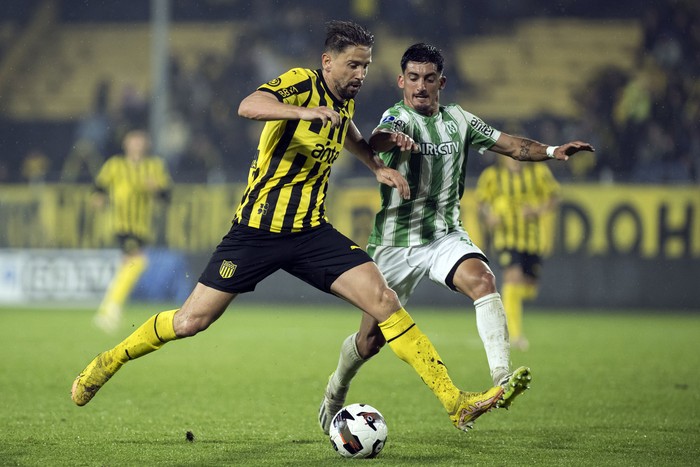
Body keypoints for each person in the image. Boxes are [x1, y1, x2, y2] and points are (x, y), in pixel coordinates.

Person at [71, 21, 504, 432]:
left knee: (383, 300)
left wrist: (374, 164)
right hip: (255, 232)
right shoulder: (302, 82)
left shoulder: (343, 99)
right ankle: (110, 360)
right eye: (353, 65)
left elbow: (347, 129)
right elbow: (248, 105)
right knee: (190, 322)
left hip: (311, 232)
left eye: (366, 66)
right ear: (328, 61)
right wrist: (303, 113)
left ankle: (454, 402)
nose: (361, 74)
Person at [318, 43, 595, 434]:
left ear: (441, 83)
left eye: (429, 79)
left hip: (445, 236)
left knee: (484, 280)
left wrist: (553, 150)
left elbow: (513, 146)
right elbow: (378, 137)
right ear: (401, 81)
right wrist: (390, 141)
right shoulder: (398, 117)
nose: (420, 86)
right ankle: (335, 389)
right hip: (394, 245)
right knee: (369, 342)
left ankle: (501, 379)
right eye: (412, 78)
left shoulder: (460, 121)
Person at [476, 155, 561, 351]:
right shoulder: (492, 175)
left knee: (529, 288)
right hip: (506, 238)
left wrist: (537, 210)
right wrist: (488, 217)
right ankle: (515, 335)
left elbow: (555, 196)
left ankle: (511, 304)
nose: (515, 160)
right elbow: (481, 203)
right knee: (512, 278)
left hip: (532, 239)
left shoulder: (538, 173)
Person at [92, 129, 172, 332]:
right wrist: (98, 198)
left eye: (140, 141)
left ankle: (110, 307)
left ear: (146, 145)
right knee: (137, 260)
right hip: (121, 224)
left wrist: (155, 189)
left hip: (142, 226)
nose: (136, 145)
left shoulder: (154, 166)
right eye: (133, 141)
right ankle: (111, 308)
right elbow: (99, 186)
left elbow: (166, 196)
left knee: (129, 265)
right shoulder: (115, 164)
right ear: (125, 144)